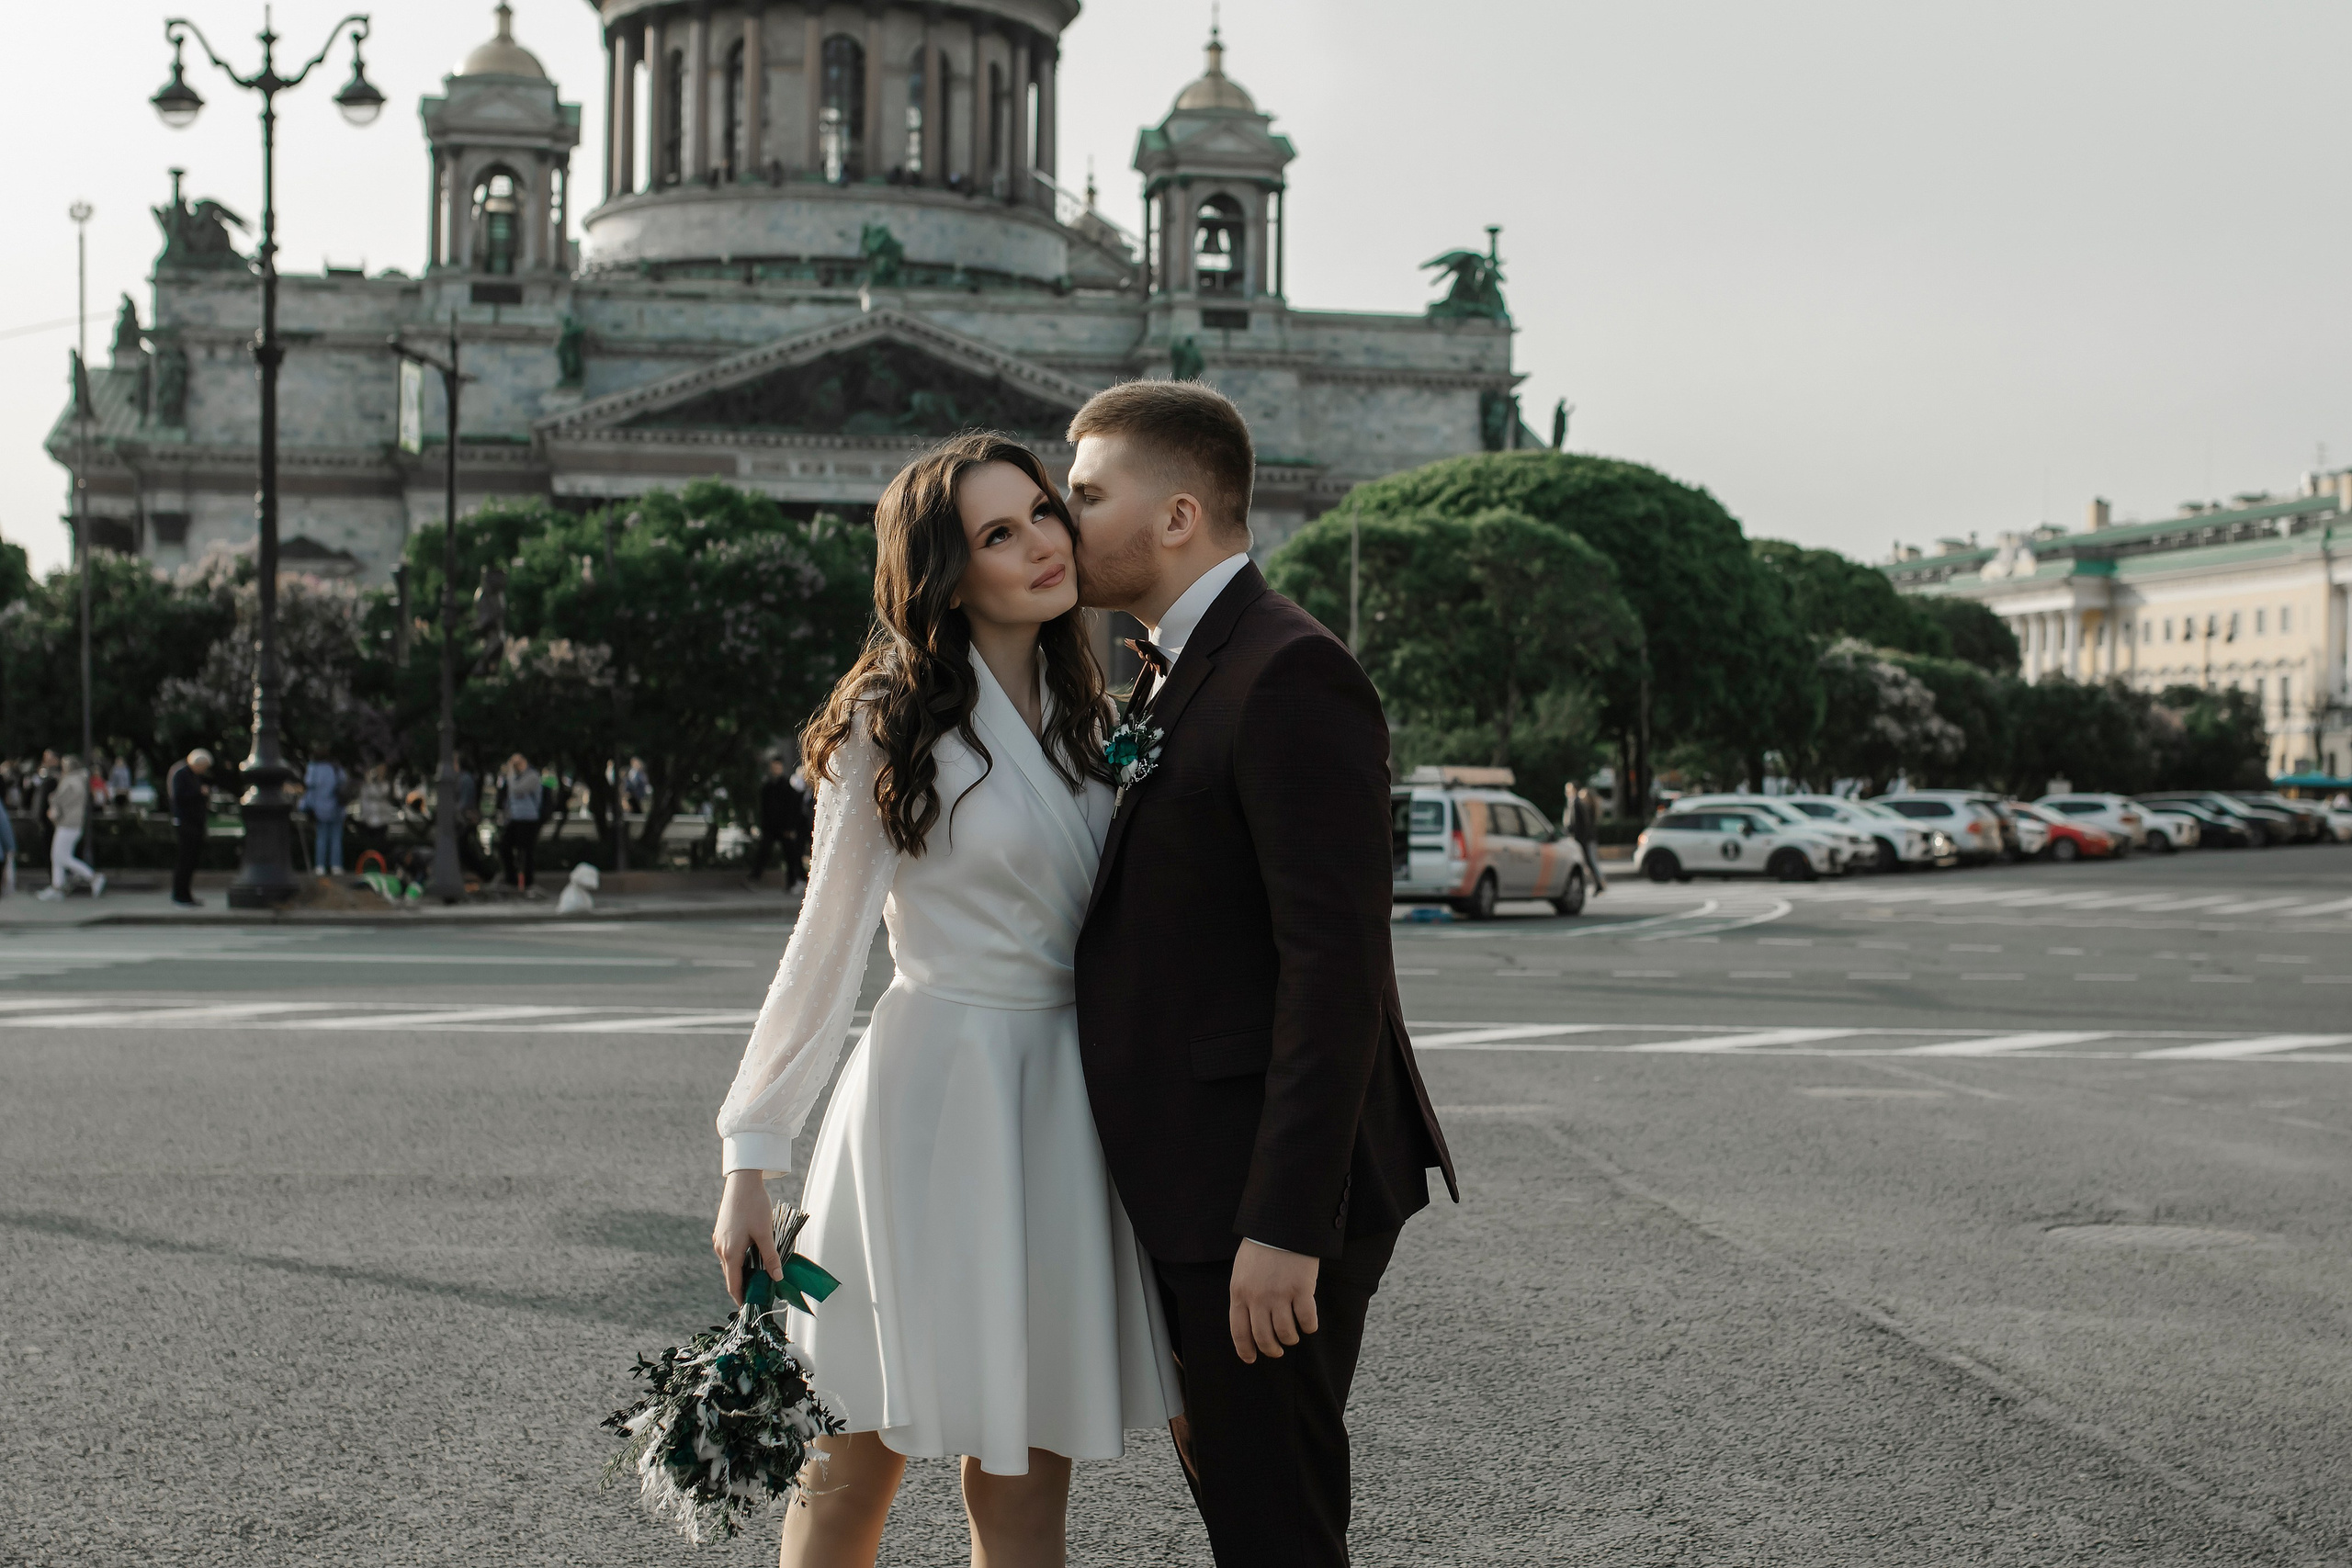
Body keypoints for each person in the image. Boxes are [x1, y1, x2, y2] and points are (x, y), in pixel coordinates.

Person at [711, 433, 1175, 1567]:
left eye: (1043, 514)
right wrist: (749, 1155)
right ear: (944, 574)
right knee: (848, 1458)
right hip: (924, 1099)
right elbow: (822, 949)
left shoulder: (1097, 716)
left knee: (1020, 1479)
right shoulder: (892, 717)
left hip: (1064, 1105)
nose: (1041, 545)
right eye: (997, 534)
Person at [1064, 379, 1455, 1567]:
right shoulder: (1179, 666)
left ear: (1178, 514)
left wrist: (1286, 1222)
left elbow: (1336, 965)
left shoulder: (1288, 669)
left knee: (1274, 1520)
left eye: (1086, 492)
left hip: (1265, 1199)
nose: (1060, 514)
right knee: (1253, 1503)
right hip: (1206, 1179)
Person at [39, 754, 104, 901]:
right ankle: (58, 887)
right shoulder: (79, 780)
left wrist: (53, 801)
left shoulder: (71, 781)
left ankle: (92, 877)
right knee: (58, 856)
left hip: (68, 823)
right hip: (71, 823)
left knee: (61, 856)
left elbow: (62, 799)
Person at [747, 755, 806, 887]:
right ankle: (755, 878)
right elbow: (764, 809)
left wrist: (790, 827)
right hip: (770, 827)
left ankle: (793, 881)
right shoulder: (767, 787)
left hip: (784, 827)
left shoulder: (786, 788)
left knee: (791, 855)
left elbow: (792, 808)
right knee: (764, 852)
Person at [167, 750, 214, 907]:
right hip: (186, 823)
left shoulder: (193, 775)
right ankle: (180, 894)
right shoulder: (181, 774)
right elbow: (179, 797)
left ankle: (186, 894)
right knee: (185, 860)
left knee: (191, 860)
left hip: (194, 823)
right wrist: (199, 792)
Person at [498, 753, 544, 892]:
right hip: (514, 818)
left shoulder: (532, 776)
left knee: (526, 851)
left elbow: (517, 789)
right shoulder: (513, 777)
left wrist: (511, 774)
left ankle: (528, 883)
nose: (514, 766)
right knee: (505, 847)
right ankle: (511, 879)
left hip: (528, 819)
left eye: (517, 763)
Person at [302, 753, 346, 876]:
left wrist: (306, 806)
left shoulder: (314, 768)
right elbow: (344, 782)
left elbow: (309, 786)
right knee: (336, 838)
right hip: (336, 808)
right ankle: (336, 866)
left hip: (320, 809)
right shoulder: (336, 768)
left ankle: (320, 866)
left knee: (321, 837)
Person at [355, 762, 399, 867]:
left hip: (382, 821)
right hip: (368, 821)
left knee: (381, 846)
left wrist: (370, 783)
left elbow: (377, 794)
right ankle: (369, 866)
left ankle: (381, 866)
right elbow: (366, 795)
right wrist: (368, 782)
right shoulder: (366, 785)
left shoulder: (385, 784)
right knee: (369, 847)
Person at [1567, 781, 1608, 893]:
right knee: (1590, 862)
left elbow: (1578, 825)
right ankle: (1599, 884)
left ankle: (1600, 883)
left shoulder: (1579, 806)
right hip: (1588, 838)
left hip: (1586, 839)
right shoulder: (1586, 807)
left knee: (1590, 862)